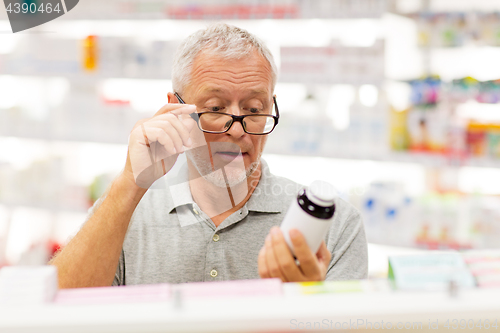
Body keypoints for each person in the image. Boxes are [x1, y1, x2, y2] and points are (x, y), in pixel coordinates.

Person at [50, 23, 368, 287]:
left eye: (254, 109)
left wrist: (305, 304)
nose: (237, 130)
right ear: (175, 107)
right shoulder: (125, 214)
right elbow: (57, 314)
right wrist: (129, 185)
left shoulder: (336, 225)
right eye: (215, 108)